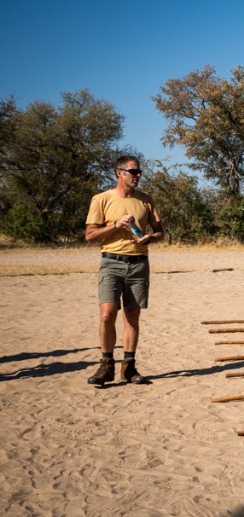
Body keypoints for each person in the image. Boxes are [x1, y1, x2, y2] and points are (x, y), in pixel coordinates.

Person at [84, 156, 164, 385]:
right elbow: (89, 235)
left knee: (132, 316)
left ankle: (129, 367)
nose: (138, 175)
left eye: (139, 172)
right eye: (134, 171)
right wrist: (116, 225)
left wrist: (150, 238)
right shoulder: (101, 199)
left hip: (139, 263)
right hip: (111, 262)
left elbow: (160, 232)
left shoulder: (146, 200)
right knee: (107, 314)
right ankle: (105, 365)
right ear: (119, 173)